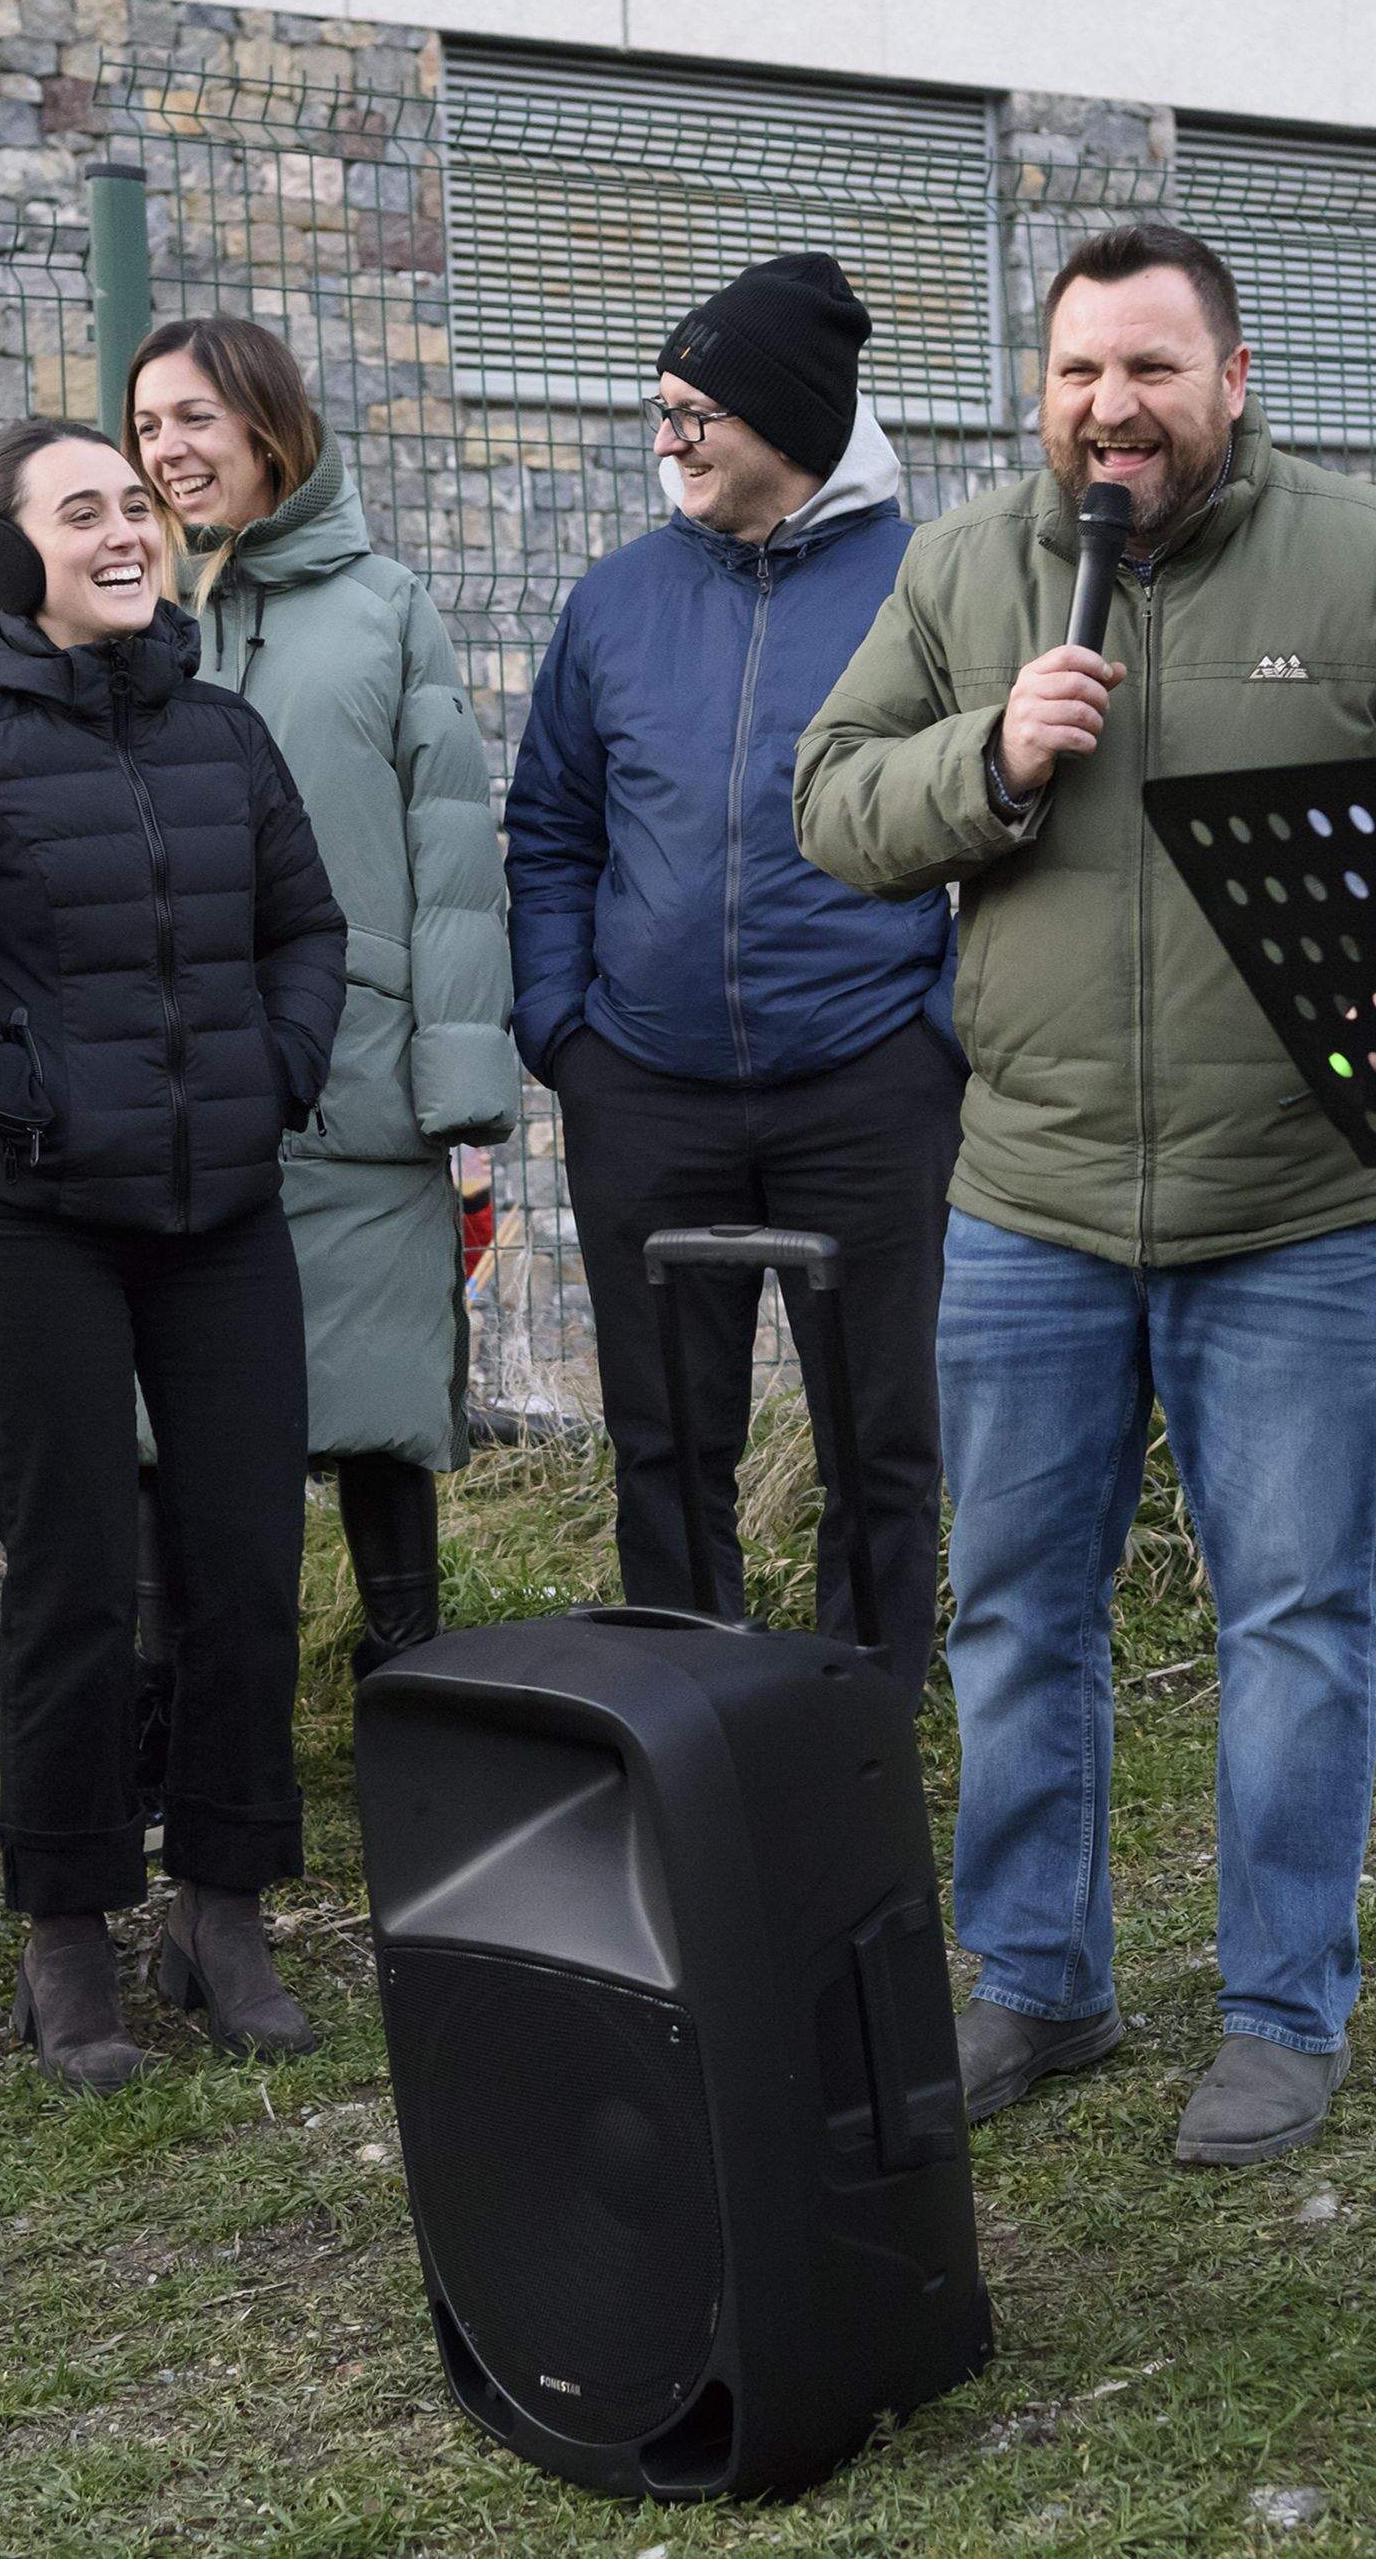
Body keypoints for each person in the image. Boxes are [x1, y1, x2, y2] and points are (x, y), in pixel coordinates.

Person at [799, 223, 1376, 2167]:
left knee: (1296, 1623)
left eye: (1152, 371)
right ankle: (1037, 1979)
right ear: (1042, 387)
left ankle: (1280, 2008)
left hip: (1296, 1217)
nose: (1112, 409)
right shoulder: (956, 572)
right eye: (1081, 371)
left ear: (1232, 381)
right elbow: (827, 802)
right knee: (1017, 1618)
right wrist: (985, 765)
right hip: (1026, 1203)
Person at [0, 418, 347, 2084]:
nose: (126, 531)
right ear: (7, 556)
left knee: (245, 1558)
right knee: (74, 1577)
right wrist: (19, 1085)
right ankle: (67, 1939)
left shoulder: (226, 734)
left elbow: (306, 926)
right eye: (84, 512)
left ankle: (222, 1907)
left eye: (137, 506)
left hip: (224, 1215)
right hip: (39, 1223)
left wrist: (280, 1066)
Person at [502, 253, 959, 1683]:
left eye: (696, 411)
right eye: (661, 409)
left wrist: (938, 1034)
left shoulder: (931, 587)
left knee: (881, 1434)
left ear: (792, 421)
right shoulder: (615, 600)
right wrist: (564, 1034)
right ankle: (694, 1702)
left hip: (874, 1078)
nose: (669, 440)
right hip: (642, 1085)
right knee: (665, 1435)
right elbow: (550, 829)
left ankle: (862, 1704)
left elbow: (1011, 817)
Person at [129, 314, 512, 1681]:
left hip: (356, 1067)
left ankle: (408, 1692)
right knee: (165, 1421)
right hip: (177, 1085)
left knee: (379, 1398)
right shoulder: (138, 608)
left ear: (265, 423)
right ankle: (181, 1719)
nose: (167, 450)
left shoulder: (383, 604)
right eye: (147, 425)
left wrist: (462, 1083)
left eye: (193, 419)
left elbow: (451, 846)